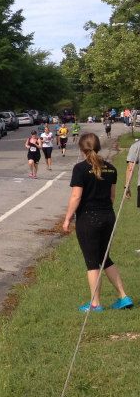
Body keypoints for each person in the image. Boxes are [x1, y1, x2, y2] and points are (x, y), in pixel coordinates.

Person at [61, 133, 133, 311]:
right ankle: (123, 296)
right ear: (98, 146)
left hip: (88, 219)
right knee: (104, 257)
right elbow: (112, 196)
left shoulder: (80, 169)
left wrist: (67, 219)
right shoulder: (111, 168)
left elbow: (76, 196)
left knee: (92, 261)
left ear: (82, 148)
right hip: (108, 216)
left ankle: (95, 304)